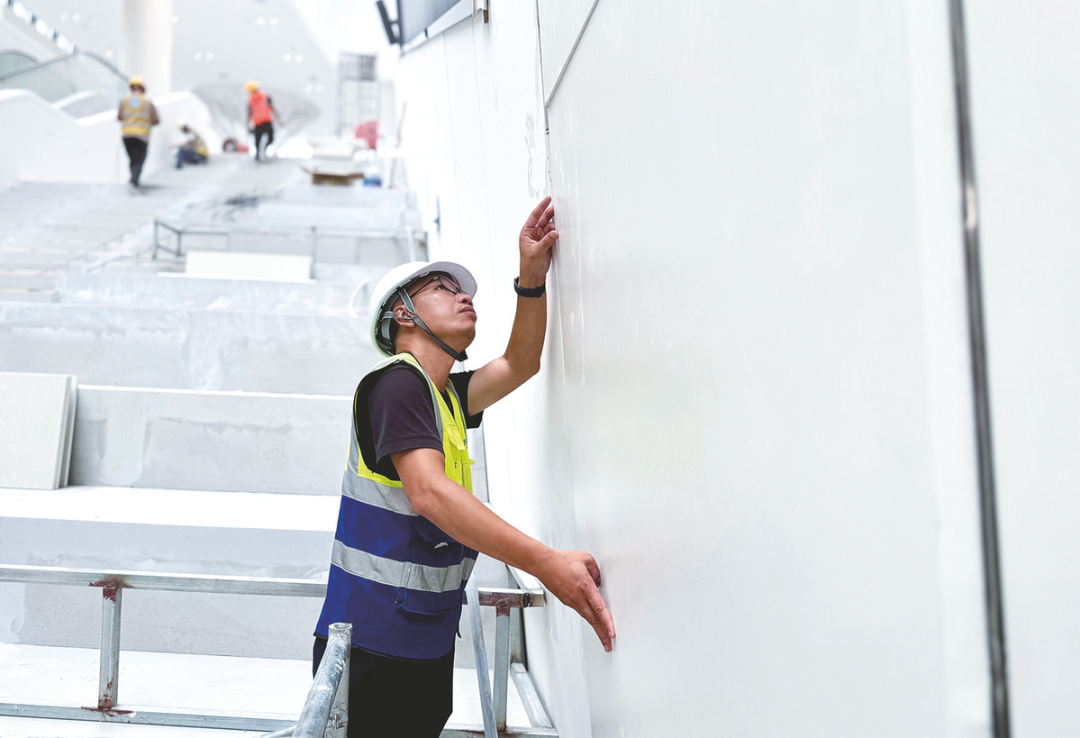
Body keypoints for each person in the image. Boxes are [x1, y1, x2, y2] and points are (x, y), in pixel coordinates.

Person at [312, 197, 615, 738]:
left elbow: (520, 363)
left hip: (423, 641)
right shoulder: (397, 384)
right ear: (403, 314)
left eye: (463, 289)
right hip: (373, 642)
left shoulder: (444, 395)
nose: (463, 295)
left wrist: (530, 278)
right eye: (442, 288)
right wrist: (546, 563)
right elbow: (428, 492)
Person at [117, 75, 159, 189]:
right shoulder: (148, 102)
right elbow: (156, 120)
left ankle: (133, 180)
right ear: (143, 88)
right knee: (139, 160)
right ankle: (133, 182)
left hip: (126, 135)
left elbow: (119, 117)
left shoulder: (124, 101)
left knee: (132, 159)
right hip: (142, 136)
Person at [246, 80, 277, 161]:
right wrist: (278, 118)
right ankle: (263, 150)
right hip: (266, 121)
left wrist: (247, 123)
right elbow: (272, 107)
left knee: (258, 140)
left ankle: (259, 153)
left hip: (258, 122)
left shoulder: (251, 98)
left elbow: (249, 112)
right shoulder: (265, 95)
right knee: (270, 139)